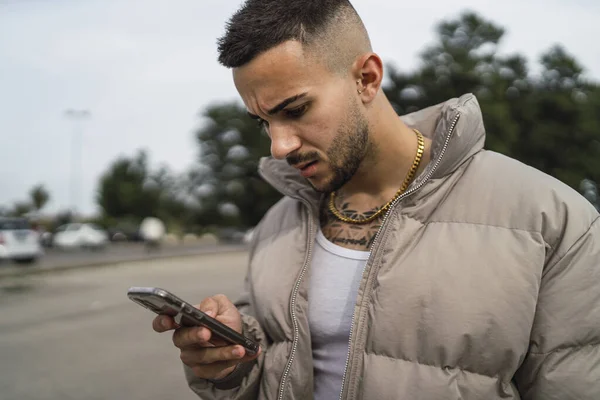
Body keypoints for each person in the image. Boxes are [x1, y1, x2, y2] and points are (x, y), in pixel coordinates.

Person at [152, 0, 600, 399]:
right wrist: (232, 362)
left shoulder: (550, 218)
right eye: (263, 122)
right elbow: (270, 372)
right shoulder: (279, 222)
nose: (279, 146)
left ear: (366, 78)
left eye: (294, 110)